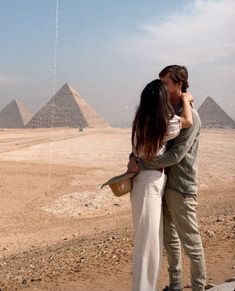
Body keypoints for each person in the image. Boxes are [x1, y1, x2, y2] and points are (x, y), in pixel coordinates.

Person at [128, 65, 207, 291]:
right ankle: (175, 284)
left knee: (189, 241)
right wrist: (134, 158)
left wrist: (140, 162)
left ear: (178, 85)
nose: (162, 87)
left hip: (180, 185)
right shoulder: (163, 116)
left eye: (165, 83)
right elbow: (146, 145)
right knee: (166, 240)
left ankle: (199, 287)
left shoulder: (186, 115)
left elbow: (175, 155)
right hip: (158, 184)